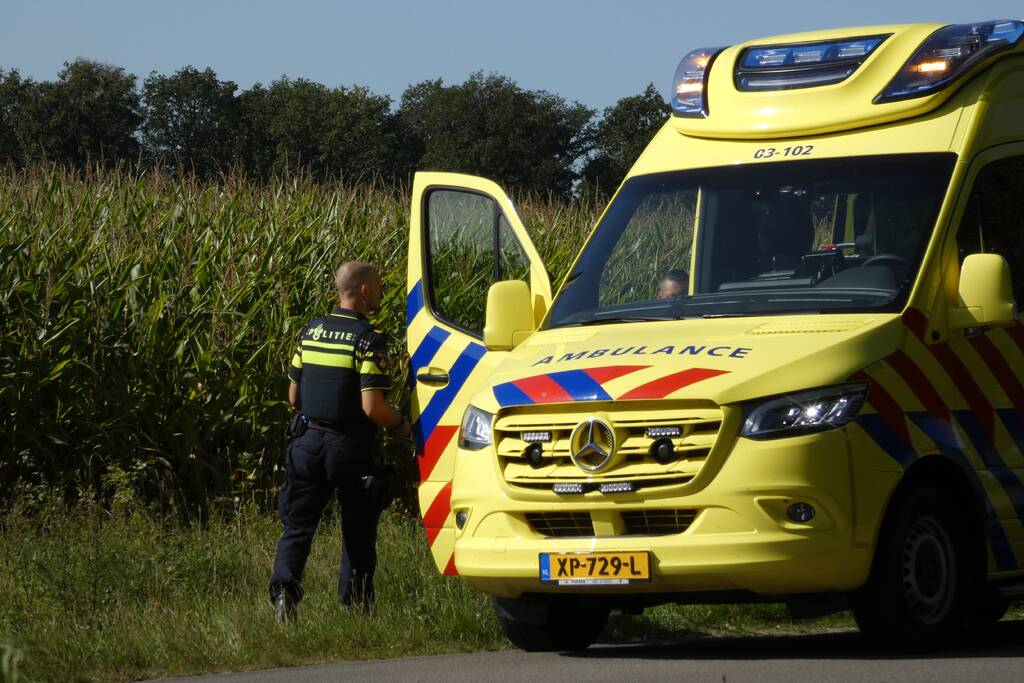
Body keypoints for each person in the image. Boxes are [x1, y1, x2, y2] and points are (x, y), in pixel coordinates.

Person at [269, 261, 411, 623]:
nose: (381, 292)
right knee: (358, 529)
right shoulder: (369, 338)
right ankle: (357, 607)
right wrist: (399, 425)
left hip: (306, 442)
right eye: (378, 285)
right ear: (363, 291)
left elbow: (292, 396)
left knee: (298, 526)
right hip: (349, 447)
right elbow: (372, 406)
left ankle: (285, 598)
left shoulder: (311, 331)